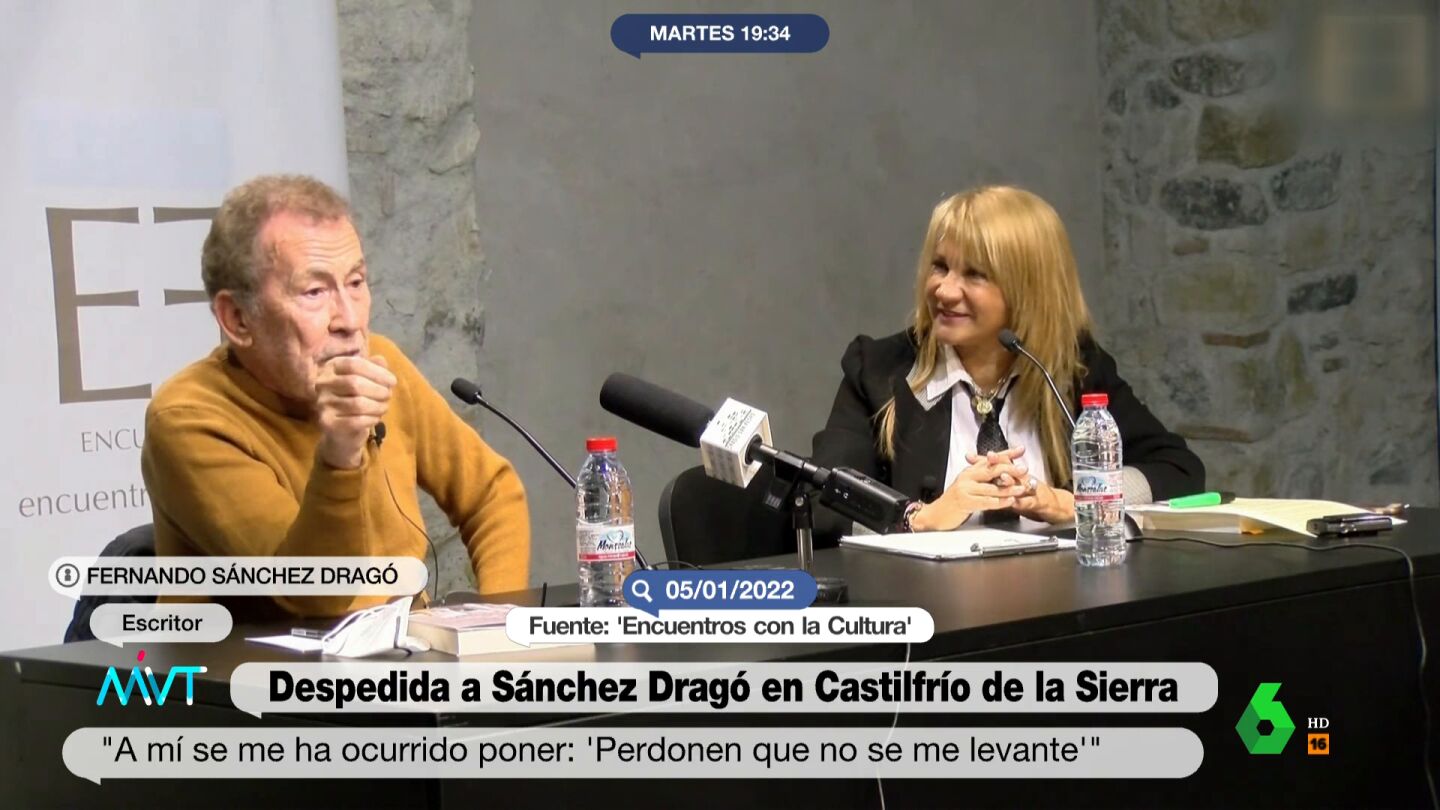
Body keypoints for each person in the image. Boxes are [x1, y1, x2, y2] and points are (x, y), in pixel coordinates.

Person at [141, 175, 530, 618]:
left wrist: (499, 625)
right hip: (260, 660)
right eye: (315, 291)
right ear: (238, 319)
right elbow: (314, 593)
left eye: (356, 282)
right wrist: (340, 454)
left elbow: (492, 493)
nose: (349, 320)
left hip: (404, 651)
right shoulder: (187, 419)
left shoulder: (382, 361)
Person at [811, 185, 1203, 537]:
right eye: (940, 266)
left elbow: (1178, 470)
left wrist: (1076, 501)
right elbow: (821, 503)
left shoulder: (1074, 369)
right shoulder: (878, 369)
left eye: (974, 274)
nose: (945, 291)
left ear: (1029, 290)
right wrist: (919, 517)